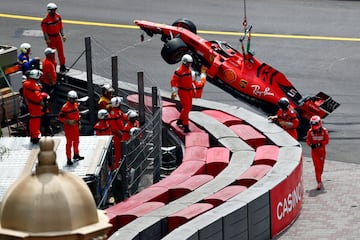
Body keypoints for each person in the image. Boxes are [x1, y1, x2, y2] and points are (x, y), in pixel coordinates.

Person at [58, 90, 84, 165]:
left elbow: (77, 115)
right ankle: (68, 159)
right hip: (68, 127)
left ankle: (76, 154)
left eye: (74, 99)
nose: (73, 100)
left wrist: (79, 123)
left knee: (76, 141)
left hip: (75, 126)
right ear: (68, 98)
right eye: (72, 99)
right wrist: (68, 121)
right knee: (69, 143)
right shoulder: (65, 107)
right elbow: (60, 118)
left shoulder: (76, 105)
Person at [170, 54, 195, 133]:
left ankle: (180, 120)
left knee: (189, 107)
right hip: (183, 91)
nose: (190, 64)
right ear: (184, 62)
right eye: (188, 63)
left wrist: (193, 87)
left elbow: (190, 80)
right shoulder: (179, 71)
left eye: (190, 63)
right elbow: (173, 81)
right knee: (186, 108)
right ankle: (185, 125)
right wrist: (174, 91)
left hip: (189, 91)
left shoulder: (188, 70)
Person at [22, 69, 48, 144]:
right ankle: (35, 137)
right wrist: (43, 103)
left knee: (33, 121)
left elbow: (25, 95)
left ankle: (33, 136)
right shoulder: (34, 86)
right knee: (35, 121)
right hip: (35, 107)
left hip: (30, 105)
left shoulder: (25, 84)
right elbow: (38, 98)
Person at [41, 2, 67, 73]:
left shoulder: (58, 17)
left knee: (61, 52)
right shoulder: (45, 20)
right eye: (52, 10)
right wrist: (47, 39)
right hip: (51, 38)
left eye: (55, 10)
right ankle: (53, 68)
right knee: (52, 54)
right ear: (49, 11)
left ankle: (62, 66)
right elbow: (45, 31)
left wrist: (63, 35)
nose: (54, 11)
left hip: (57, 36)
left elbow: (60, 27)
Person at [306, 115, 329, 190]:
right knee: (317, 167)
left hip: (322, 151)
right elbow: (308, 141)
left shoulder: (324, 131)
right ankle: (318, 181)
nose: (314, 126)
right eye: (313, 124)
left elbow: (327, 140)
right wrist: (311, 145)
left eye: (315, 124)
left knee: (321, 167)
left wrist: (320, 144)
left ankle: (319, 176)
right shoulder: (310, 132)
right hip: (314, 152)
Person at [108, 96, 127, 170]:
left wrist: (130, 115)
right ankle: (116, 168)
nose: (121, 104)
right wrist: (120, 133)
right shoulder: (112, 113)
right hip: (117, 136)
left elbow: (123, 116)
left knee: (122, 151)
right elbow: (113, 127)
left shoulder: (118, 111)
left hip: (121, 134)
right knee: (118, 152)